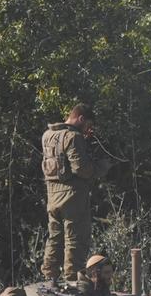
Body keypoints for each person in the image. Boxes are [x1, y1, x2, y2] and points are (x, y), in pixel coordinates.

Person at [40, 103, 106, 281]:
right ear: (81, 119)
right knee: (75, 239)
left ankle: (49, 277)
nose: (88, 129)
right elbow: (81, 169)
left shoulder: (48, 135)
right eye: (88, 125)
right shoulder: (73, 137)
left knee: (54, 237)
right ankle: (72, 280)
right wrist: (101, 167)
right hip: (73, 197)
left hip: (52, 196)